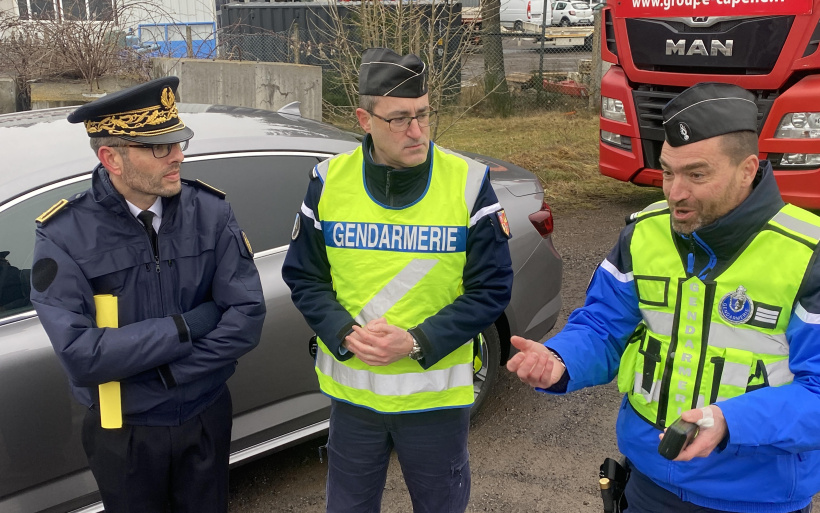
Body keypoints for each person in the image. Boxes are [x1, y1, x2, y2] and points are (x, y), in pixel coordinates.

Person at [508, 82, 820, 513]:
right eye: (668, 171)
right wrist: (560, 360)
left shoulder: (808, 253)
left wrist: (730, 421)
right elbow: (602, 327)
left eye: (697, 174)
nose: (674, 192)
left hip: (756, 497)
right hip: (648, 485)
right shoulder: (643, 233)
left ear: (748, 170)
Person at [282, 47, 514, 512]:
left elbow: (491, 289)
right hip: (354, 402)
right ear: (364, 120)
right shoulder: (328, 181)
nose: (417, 130)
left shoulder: (467, 181)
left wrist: (413, 342)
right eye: (400, 118)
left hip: (435, 404)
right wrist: (344, 333)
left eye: (424, 114)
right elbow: (304, 277)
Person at [30, 76, 266, 513]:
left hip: (204, 413)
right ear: (111, 158)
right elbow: (81, 355)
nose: (177, 155)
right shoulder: (64, 235)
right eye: (160, 147)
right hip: (124, 429)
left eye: (178, 143)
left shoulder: (211, 212)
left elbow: (246, 316)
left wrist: (169, 375)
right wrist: (187, 326)